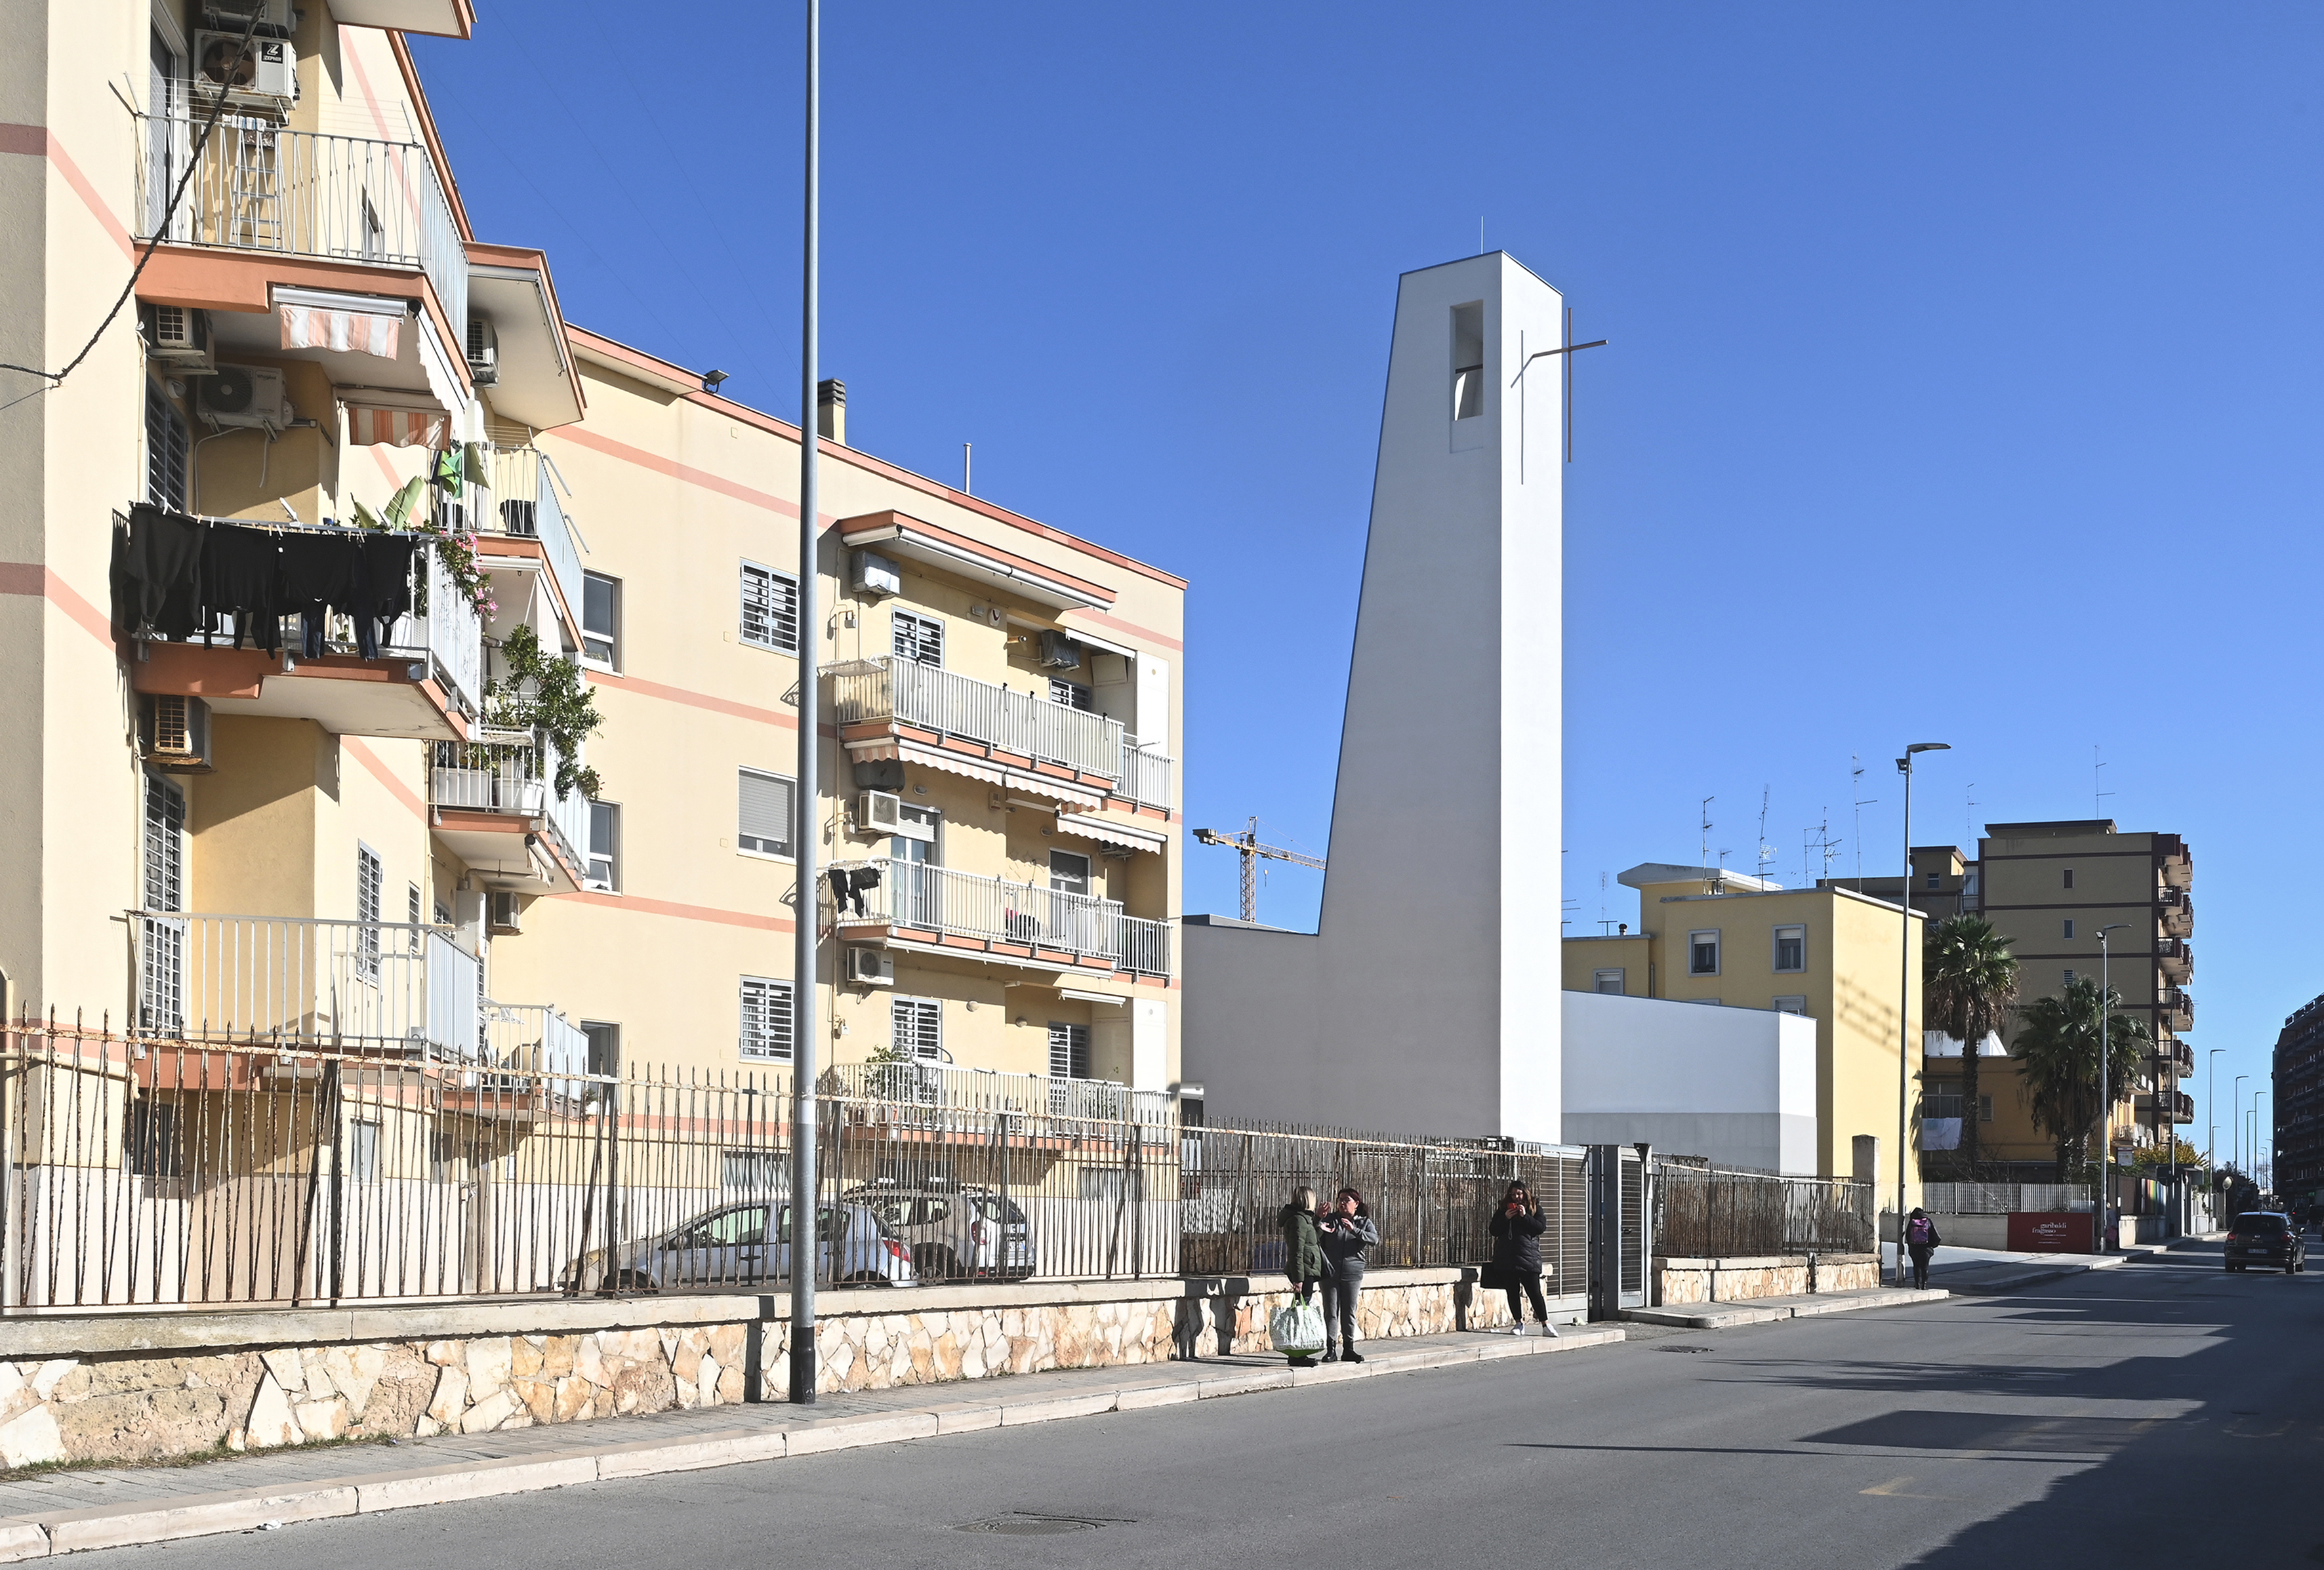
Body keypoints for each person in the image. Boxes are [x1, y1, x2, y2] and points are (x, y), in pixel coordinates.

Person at [1317, 1188, 1379, 1363]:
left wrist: (1354, 1230)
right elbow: (1314, 1235)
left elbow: (1374, 1240)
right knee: (1331, 1312)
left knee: (1349, 1312)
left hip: (1353, 1273)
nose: (1342, 1203)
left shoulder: (1364, 1222)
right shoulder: (1331, 1220)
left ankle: (1349, 1349)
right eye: (1340, 1199)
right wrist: (1318, 1219)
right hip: (1330, 1273)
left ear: (1356, 1204)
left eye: (1346, 1199)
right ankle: (1331, 1350)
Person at [1488, 1180, 1552, 1336]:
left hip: (1528, 1258)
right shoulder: (1504, 1210)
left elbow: (1540, 1228)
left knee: (1535, 1292)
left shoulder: (1535, 1209)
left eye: (1519, 1193)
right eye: (1513, 1194)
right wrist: (1505, 1218)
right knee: (1512, 1292)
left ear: (1525, 1193)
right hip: (1507, 1259)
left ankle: (1546, 1324)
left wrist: (1525, 1217)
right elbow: (1493, 1230)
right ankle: (1518, 1323)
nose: (1517, 1197)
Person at [1278, 1186, 1326, 1367]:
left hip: (1307, 1268)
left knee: (1302, 1310)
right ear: (1308, 1200)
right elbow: (1296, 1251)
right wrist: (1298, 1278)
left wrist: (1319, 1225)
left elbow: (1310, 1241)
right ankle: (1297, 1354)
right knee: (1300, 1313)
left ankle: (1300, 1352)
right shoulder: (1298, 1219)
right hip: (1304, 1271)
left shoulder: (1304, 1218)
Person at [1905, 1206, 1942, 1290]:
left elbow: (1908, 1236)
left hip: (1915, 1248)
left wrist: (1911, 1245)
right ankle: (1924, 1285)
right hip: (1926, 1249)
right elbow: (1935, 1235)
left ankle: (1917, 1284)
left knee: (1916, 1266)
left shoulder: (1912, 1222)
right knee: (1925, 1267)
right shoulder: (1928, 1221)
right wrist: (1932, 1246)